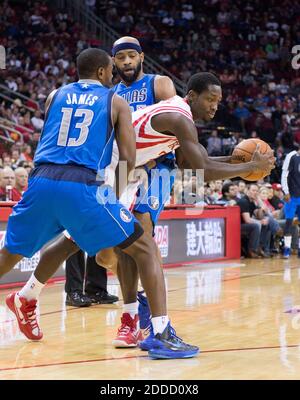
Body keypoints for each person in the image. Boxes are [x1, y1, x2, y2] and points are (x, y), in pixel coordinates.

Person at [1, 48, 199, 360]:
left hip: (41, 179)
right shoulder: (115, 100)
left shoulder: (54, 95)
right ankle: (160, 333)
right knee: (144, 248)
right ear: (105, 73)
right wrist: (112, 205)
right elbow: (130, 159)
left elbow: (49, 137)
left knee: (8, 256)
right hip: (82, 186)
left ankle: (26, 297)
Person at [64, 36, 176, 310]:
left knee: (142, 226)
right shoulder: (109, 94)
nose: (127, 61)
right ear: (112, 62)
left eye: (131, 55)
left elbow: (178, 120)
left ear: (141, 57)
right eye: (121, 57)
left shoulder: (158, 83)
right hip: (122, 170)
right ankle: (139, 287)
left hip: (156, 168)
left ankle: (150, 305)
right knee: (103, 255)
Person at [281, 146, 300, 258]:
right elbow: (284, 175)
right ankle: (287, 249)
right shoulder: (291, 156)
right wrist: (286, 191)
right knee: (289, 222)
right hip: (291, 195)